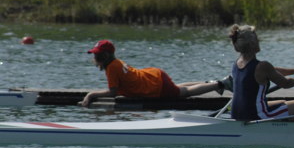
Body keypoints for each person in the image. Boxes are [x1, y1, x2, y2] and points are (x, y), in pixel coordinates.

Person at [80, 39, 226, 107]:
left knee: (184, 92)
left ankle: (218, 84)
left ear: (105, 56)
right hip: (154, 76)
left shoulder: (112, 67)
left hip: (154, 85)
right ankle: (208, 84)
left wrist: (91, 94)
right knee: (179, 88)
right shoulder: (116, 62)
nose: (94, 58)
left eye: (97, 55)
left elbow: (112, 92)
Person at [228, 24, 294, 122]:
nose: (259, 41)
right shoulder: (263, 66)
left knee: (283, 103)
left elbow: (272, 71)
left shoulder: (237, 63)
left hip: (237, 114)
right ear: (252, 43)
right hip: (256, 116)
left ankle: (293, 131)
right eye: (257, 38)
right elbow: (285, 83)